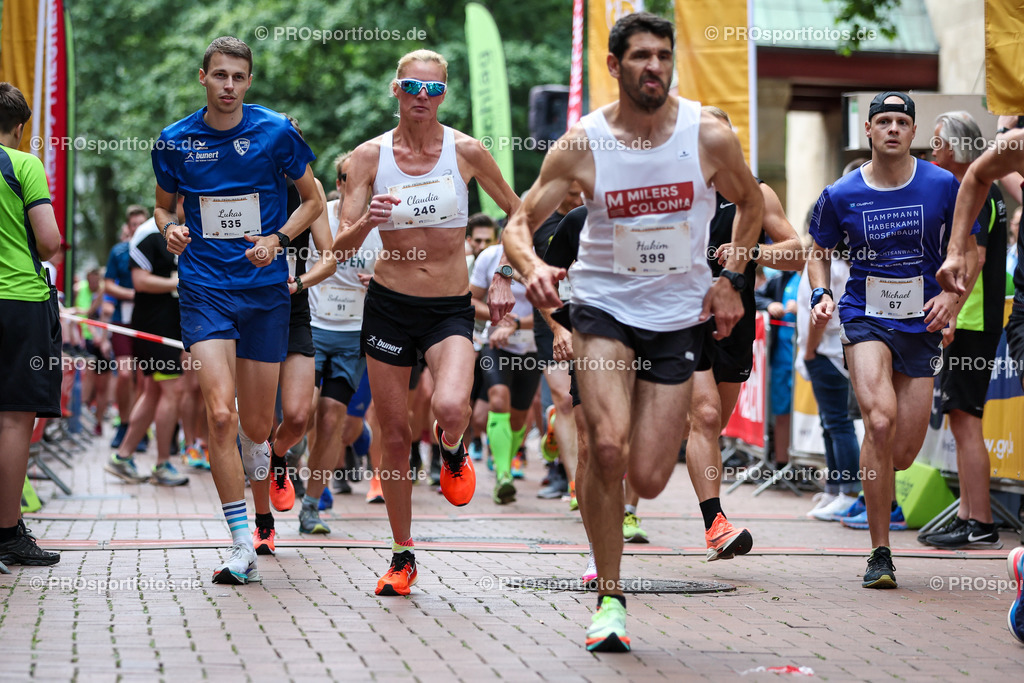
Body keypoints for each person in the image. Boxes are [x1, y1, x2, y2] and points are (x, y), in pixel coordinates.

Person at [502, 13, 763, 651]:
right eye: (641, 56)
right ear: (615, 67)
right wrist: (533, 266)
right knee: (607, 447)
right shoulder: (582, 143)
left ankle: (622, 538)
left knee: (646, 476)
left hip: (676, 318)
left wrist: (729, 276)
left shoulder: (706, 135)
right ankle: (610, 597)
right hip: (602, 309)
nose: (655, 66)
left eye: (664, 55)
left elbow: (752, 205)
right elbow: (517, 221)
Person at [334, 49, 519, 597]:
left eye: (434, 90)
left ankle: (454, 447)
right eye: (413, 87)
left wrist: (505, 271)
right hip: (389, 304)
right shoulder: (367, 159)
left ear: (445, 94)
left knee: (449, 406)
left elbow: (519, 210)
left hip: (447, 308)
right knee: (392, 435)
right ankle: (402, 553)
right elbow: (339, 245)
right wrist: (368, 218)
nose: (422, 98)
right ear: (395, 89)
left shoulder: (466, 151)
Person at [152, 36, 323, 584]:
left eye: (238, 78)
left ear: (249, 82)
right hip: (204, 288)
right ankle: (239, 543)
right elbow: (161, 207)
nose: (229, 86)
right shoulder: (175, 141)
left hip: (264, 292)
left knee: (256, 425)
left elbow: (315, 200)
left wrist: (278, 237)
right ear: (202, 76)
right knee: (219, 415)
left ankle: (265, 473)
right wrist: (171, 229)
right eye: (219, 75)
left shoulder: (276, 132)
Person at [809, 91, 976, 589]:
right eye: (884, 120)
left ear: (913, 131)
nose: (893, 129)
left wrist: (953, 301)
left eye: (902, 121)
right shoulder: (840, 193)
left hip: (921, 319)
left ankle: (881, 498)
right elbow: (817, 247)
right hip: (865, 314)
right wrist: (820, 290)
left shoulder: (943, 185)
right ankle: (880, 553)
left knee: (902, 452)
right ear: (869, 130)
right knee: (878, 421)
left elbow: (966, 251)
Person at [684, 106, 804, 556]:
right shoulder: (673, 192)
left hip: (734, 325)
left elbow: (795, 253)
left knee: (708, 427)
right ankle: (715, 523)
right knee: (706, 416)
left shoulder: (755, 194)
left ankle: (655, 442)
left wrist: (750, 251)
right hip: (682, 322)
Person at [920, 111, 1006, 549]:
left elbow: (978, 260)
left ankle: (982, 523)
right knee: (960, 417)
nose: (931, 150)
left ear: (953, 147)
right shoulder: (965, 189)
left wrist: (952, 311)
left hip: (972, 321)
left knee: (967, 419)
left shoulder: (981, 193)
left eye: (936, 142)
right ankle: (970, 515)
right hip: (967, 318)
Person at [250, 117, 335, 555]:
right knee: (258, 423)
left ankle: (280, 458)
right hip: (249, 305)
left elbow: (329, 259)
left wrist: (299, 284)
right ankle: (262, 520)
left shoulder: (310, 190)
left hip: (293, 304)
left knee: (299, 417)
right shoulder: (243, 179)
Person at [298, 151, 381, 535]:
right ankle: (285, 463)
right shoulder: (318, 215)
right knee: (302, 412)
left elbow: (402, 272)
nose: (359, 185)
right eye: (351, 178)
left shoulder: (382, 226)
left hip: (353, 335)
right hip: (311, 327)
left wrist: (380, 284)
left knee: (333, 419)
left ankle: (312, 505)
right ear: (339, 183)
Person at [0, 81, 62, 567]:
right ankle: (7, 534)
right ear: (20, 128)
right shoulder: (24, 165)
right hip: (18, 301)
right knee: (15, 418)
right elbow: (49, 242)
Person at [104, 216, 190, 487]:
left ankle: (122, 456)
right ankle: (163, 464)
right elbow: (139, 281)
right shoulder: (149, 233)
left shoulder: (192, 227)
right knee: (172, 390)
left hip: (171, 324)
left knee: (153, 391)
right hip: (154, 325)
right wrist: (180, 282)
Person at [469, 241, 539, 504]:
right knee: (498, 400)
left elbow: (555, 308)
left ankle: (506, 462)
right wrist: (500, 320)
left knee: (519, 419)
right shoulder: (489, 257)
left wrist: (518, 324)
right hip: (495, 345)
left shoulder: (541, 255)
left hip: (531, 348)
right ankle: (503, 476)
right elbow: (471, 299)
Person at [104, 205, 148, 449]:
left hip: (147, 322)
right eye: (134, 225)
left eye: (142, 224)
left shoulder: (154, 248)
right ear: (128, 227)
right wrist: (133, 293)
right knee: (124, 374)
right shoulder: (118, 251)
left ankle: (139, 430)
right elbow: (108, 285)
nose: (137, 228)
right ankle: (123, 423)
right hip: (122, 321)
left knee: (144, 379)